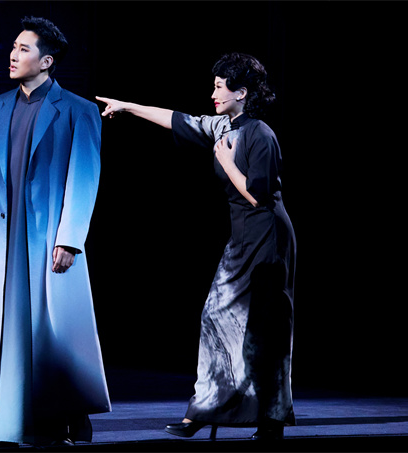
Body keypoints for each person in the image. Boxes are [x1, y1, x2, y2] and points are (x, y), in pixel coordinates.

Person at [96, 52, 296, 441]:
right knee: (219, 319)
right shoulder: (223, 126)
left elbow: (258, 195)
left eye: (220, 87)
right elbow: (178, 119)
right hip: (242, 234)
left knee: (263, 326)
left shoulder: (261, 135)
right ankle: (208, 409)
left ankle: (267, 420)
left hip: (268, 236)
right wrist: (128, 107)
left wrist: (227, 161)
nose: (213, 94)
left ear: (242, 92)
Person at [0, 16, 110, 449]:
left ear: (46, 61)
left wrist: (69, 238)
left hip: (45, 239)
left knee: (47, 333)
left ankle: (49, 426)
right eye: (13, 47)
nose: (13, 54)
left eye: (23, 49)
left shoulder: (77, 111)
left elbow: (84, 178)